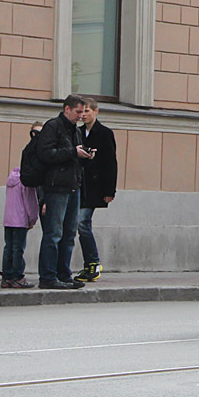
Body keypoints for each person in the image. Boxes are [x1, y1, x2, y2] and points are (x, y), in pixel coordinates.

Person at [36, 94, 94, 289]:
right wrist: (72, 152)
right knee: (53, 233)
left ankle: (64, 274)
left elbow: (73, 157)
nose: (81, 115)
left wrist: (85, 155)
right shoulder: (53, 127)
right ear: (66, 109)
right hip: (56, 188)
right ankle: (48, 277)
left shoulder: (75, 131)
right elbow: (44, 154)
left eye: (83, 112)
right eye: (78, 111)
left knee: (69, 233)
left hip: (73, 187)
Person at [76, 98, 118, 282]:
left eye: (87, 111)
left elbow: (110, 163)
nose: (83, 115)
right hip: (77, 185)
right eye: (81, 112)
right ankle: (89, 265)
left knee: (82, 222)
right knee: (79, 225)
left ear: (96, 111)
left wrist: (110, 190)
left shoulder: (104, 133)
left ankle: (93, 262)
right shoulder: (76, 132)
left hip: (94, 187)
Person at [1, 123, 42, 289]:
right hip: (20, 220)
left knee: (8, 248)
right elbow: (30, 202)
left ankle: (7, 277)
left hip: (8, 220)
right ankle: (18, 276)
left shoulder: (11, 178)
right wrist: (32, 218)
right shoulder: (26, 180)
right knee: (19, 249)